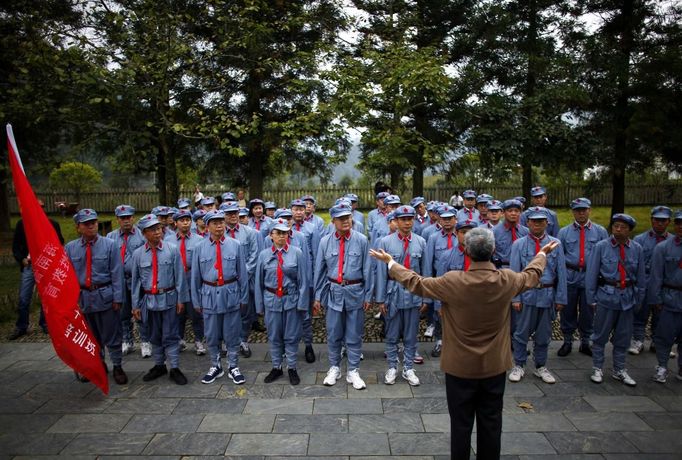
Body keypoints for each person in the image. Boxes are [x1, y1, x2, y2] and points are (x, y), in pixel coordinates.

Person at [370, 227, 558, 460]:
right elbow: (531, 275)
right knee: (491, 423)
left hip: (459, 368)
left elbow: (415, 282)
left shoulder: (453, 281)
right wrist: (541, 254)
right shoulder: (507, 279)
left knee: (460, 426)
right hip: (493, 366)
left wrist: (390, 262)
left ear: (466, 251)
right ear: (493, 250)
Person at [65, 209, 127, 385]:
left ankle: (117, 365)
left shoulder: (110, 245)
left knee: (112, 334)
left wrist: (118, 298)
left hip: (105, 295)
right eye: (86, 223)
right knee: (91, 336)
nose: (91, 226)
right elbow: (68, 276)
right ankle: (98, 364)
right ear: (78, 227)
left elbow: (117, 273)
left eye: (94, 222)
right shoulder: (70, 248)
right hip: (84, 298)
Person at [314, 202, 372, 390]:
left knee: (354, 334)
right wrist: (317, 296)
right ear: (333, 221)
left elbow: (368, 269)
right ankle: (334, 367)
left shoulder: (362, 240)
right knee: (333, 333)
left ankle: (353, 370)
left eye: (348, 217)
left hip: (355, 293)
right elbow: (320, 271)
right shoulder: (325, 242)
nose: (346, 221)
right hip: (334, 293)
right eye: (341, 218)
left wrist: (368, 296)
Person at [586, 213, 646, 387]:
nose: (618, 230)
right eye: (616, 226)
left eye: (623, 227)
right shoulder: (601, 247)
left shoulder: (637, 249)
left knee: (623, 336)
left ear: (629, 230)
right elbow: (592, 274)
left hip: (627, 298)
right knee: (599, 335)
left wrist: (639, 300)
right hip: (606, 296)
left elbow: (640, 278)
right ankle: (597, 367)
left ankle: (619, 369)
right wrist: (592, 299)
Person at [508, 207, 567, 385]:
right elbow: (514, 273)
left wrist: (561, 298)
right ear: (527, 223)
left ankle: (541, 365)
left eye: (541, 221)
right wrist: (515, 298)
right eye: (534, 221)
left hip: (547, 294)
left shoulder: (556, 243)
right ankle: (519, 364)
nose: (537, 224)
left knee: (544, 334)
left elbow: (561, 273)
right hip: (526, 294)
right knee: (520, 332)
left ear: (547, 223)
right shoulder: (519, 244)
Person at [191, 210, 249, 385]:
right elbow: (195, 277)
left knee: (232, 332)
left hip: (230, 293)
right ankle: (215, 365)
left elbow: (243, 275)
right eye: (215, 223)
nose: (219, 226)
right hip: (208, 295)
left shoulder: (235, 244)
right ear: (207, 226)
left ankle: (233, 366)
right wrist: (196, 300)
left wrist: (244, 298)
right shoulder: (199, 248)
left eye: (221, 222)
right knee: (211, 333)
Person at [131, 214, 189, 385]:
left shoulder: (172, 249)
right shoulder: (138, 254)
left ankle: (175, 368)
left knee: (171, 334)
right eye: (152, 230)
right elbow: (136, 282)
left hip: (169, 299)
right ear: (144, 233)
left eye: (158, 229)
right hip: (149, 301)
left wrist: (181, 300)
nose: (157, 232)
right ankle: (159, 365)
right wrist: (135, 305)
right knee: (154, 334)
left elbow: (180, 277)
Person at [375, 205, 427, 386]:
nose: (407, 222)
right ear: (395, 221)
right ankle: (391, 366)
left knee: (411, 334)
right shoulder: (385, 242)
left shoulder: (421, 242)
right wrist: (380, 299)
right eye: (403, 219)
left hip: (413, 293)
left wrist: (425, 297)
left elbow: (425, 272)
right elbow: (381, 273)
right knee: (391, 333)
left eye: (410, 219)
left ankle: (409, 368)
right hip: (393, 293)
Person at [255, 218, 309, 385]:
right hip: (271, 300)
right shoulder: (264, 255)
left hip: (291, 300)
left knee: (291, 336)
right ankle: (276, 367)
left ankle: (291, 367)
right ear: (271, 235)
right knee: (274, 336)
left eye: (285, 233)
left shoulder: (297, 253)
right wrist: (259, 306)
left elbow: (303, 281)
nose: (281, 236)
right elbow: (258, 282)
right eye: (278, 233)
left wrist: (302, 304)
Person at [556, 198, 608, 357]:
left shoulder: (600, 231)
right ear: (573, 212)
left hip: (590, 276)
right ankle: (567, 341)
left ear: (589, 210)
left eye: (584, 210)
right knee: (567, 309)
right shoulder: (564, 232)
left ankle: (586, 341)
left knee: (588, 310)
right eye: (578, 210)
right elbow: (559, 256)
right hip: (570, 275)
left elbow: (605, 256)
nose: (581, 213)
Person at [10, 199, 64, 340]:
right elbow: (15, 246)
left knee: (46, 298)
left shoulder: (52, 224)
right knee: (24, 298)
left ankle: (45, 323)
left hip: (46, 266)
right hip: (29, 266)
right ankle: (21, 325)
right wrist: (21, 259)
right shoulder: (21, 225)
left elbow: (60, 242)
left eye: (40, 207)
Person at [630, 205, 674, 355]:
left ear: (669, 222)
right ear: (651, 220)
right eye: (657, 220)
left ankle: (658, 342)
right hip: (645, 280)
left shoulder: (674, 242)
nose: (660, 223)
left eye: (663, 220)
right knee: (640, 312)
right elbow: (633, 262)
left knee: (661, 315)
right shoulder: (640, 239)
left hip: (664, 283)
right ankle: (638, 340)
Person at [106, 204, 146, 356]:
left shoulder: (142, 235)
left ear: (133, 218)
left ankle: (145, 341)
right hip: (119, 280)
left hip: (138, 279)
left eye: (129, 217)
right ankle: (127, 340)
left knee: (140, 311)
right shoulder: (111, 237)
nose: (126, 221)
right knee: (122, 313)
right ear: (117, 220)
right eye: (123, 218)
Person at [648, 210, 682, 383]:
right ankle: (662, 366)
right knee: (664, 336)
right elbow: (656, 276)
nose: (681, 226)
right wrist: (656, 299)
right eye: (679, 223)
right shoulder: (663, 247)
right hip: (670, 297)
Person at [170, 209, 206, 356]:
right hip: (177, 281)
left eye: (187, 220)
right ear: (176, 223)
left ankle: (198, 340)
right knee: (178, 313)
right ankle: (180, 339)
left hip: (193, 279)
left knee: (196, 312)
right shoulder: (168, 241)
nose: (185, 223)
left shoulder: (199, 240)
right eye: (182, 220)